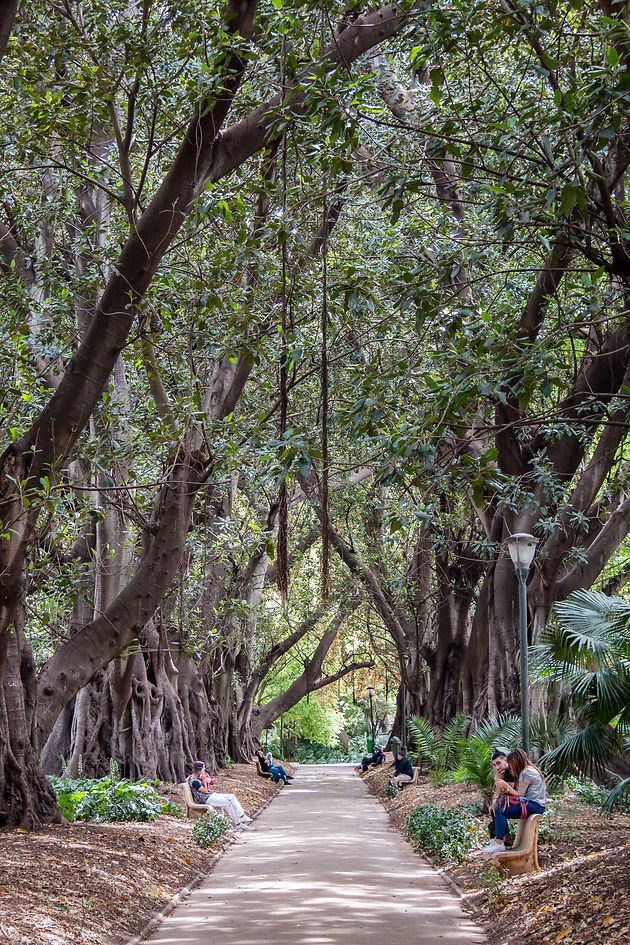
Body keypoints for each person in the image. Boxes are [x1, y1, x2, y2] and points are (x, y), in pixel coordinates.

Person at [482, 748, 546, 855]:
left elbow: (519, 794)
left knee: (500, 809)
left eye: (510, 763)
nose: (509, 766)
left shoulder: (526, 773)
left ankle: (499, 843)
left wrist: (505, 785)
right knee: (499, 807)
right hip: (534, 804)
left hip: (535, 805)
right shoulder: (526, 771)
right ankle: (500, 841)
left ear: (516, 761)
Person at [188, 761, 253, 829]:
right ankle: (239, 823)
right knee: (229, 802)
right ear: (200, 770)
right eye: (203, 768)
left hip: (211, 795)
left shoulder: (192, 778)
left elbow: (209, 783)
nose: (204, 769)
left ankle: (241, 816)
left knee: (231, 796)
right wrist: (204, 780)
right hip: (207, 798)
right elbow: (205, 791)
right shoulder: (195, 782)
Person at [488, 748, 517, 845]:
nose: (497, 767)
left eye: (498, 763)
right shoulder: (502, 773)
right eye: (494, 765)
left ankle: (503, 838)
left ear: (506, 760)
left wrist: (498, 780)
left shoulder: (509, 771)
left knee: (497, 807)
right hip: (511, 799)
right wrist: (498, 780)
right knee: (495, 807)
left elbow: (507, 791)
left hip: (519, 799)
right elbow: (499, 793)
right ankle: (505, 838)